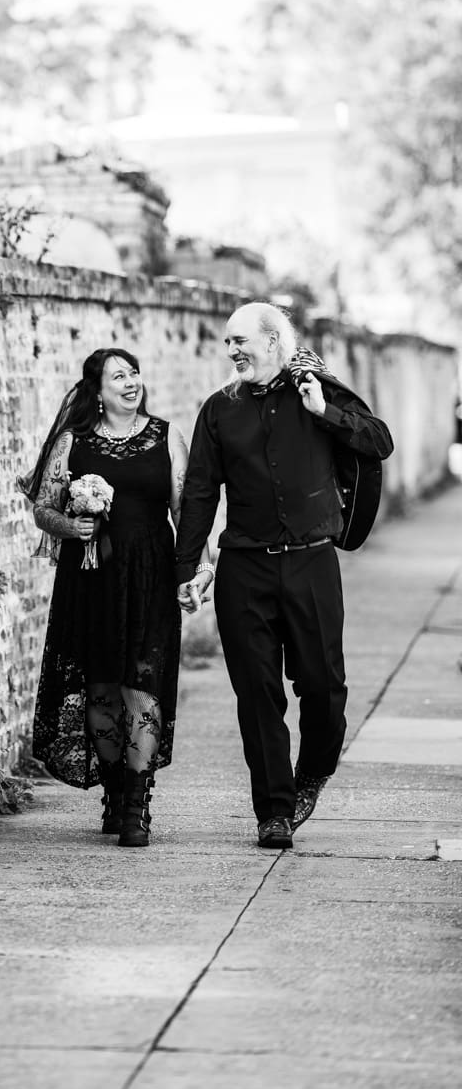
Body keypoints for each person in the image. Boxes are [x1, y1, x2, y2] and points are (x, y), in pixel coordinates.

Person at [175, 303, 394, 851]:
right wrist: (189, 568)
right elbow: (201, 491)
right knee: (257, 694)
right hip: (244, 568)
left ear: (274, 341)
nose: (232, 351)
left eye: (241, 340)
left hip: (312, 562)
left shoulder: (320, 392)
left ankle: (313, 772)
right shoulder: (220, 410)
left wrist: (325, 412)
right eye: (228, 342)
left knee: (323, 689)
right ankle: (273, 811)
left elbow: (379, 441)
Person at [26, 348, 209, 847]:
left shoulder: (167, 435)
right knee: (102, 685)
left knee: (141, 683)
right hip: (90, 577)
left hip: (150, 574)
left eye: (134, 373)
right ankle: (113, 789)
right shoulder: (73, 441)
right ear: (98, 390)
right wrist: (72, 523)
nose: (131, 382)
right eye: (119, 376)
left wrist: (198, 568)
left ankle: (137, 803)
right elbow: (43, 508)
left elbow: (184, 510)